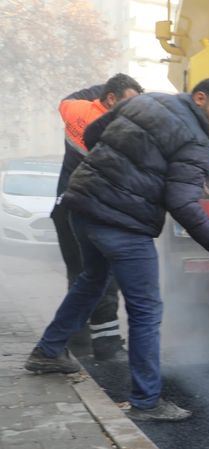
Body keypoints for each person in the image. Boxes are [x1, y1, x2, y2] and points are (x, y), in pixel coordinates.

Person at [25, 78, 209, 422]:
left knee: (92, 281)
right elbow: (183, 204)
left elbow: (93, 134)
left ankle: (48, 351)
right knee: (146, 309)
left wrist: (128, 163)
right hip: (123, 223)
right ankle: (146, 402)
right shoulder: (195, 139)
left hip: (83, 207)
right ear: (200, 98)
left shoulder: (145, 101)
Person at [54, 73, 144, 360]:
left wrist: (107, 88)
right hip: (89, 208)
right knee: (102, 275)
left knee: (79, 273)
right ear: (111, 100)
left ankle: (77, 341)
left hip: (63, 206)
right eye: (128, 103)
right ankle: (107, 345)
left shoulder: (74, 109)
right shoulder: (112, 131)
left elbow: (69, 98)